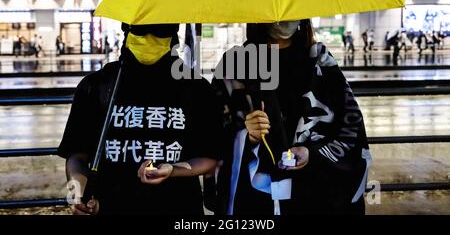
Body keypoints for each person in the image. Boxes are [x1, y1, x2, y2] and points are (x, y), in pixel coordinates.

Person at [58, 23, 222, 215]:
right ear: (127, 29)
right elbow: (77, 154)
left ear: (173, 34)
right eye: (141, 29)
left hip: (178, 207)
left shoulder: (197, 89)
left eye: (160, 29)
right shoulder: (96, 86)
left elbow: (210, 156)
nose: (149, 36)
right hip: (109, 207)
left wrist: (174, 170)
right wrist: (79, 194)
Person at [210, 20, 371, 215]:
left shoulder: (320, 61)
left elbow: (350, 124)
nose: (285, 19)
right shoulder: (234, 64)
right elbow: (213, 132)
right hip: (258, 200)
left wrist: (313, 152)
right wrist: (248, 136)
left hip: (314, 193)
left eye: (292, 10)